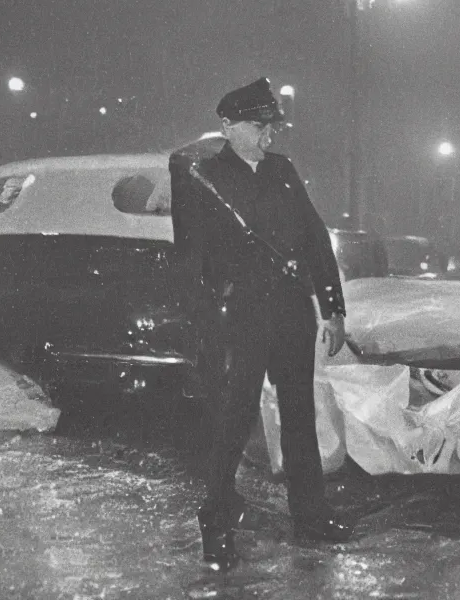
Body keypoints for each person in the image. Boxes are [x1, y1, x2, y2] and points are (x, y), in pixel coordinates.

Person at [169, 77, 355, 572]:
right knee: (233, 422)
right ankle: (216, 521)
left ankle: (311, 516)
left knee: (299, 417)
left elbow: (315, 238)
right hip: (241, 318)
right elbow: (190, 260)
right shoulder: (204, 178)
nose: (269, 134)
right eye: (258, 125)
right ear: (228, 127)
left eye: (271, 125)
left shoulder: (283, 171)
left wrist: (333, 308)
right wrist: (204, 324)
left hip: (292, 313)